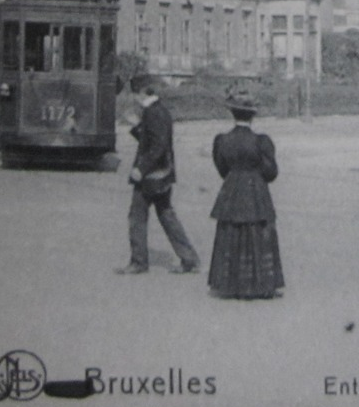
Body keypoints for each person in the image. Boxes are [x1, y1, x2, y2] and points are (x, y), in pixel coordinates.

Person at [117, 75, 201, 276]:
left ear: (143, 92)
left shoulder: (153, 113)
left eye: (136, 94)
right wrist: (137, 126)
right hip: (162, 174)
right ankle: (188, 258)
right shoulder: (157, 110)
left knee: (137, 216)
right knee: (166, 214)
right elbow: (152, 140)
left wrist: (141, 168)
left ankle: (139, 262)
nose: (135, 99)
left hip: (151, 176)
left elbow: (157, 146)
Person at [208, 89, 284, 300]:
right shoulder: (261, 141)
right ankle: (260, 282)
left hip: (231, 189)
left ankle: (230, 283)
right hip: (256, 190)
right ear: (253, 115)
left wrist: (235, 177)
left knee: (231, 232)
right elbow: (271, 172)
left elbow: (222, 169)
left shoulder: (222, 140)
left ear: (233, 114)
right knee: (257, 233)